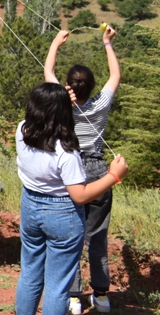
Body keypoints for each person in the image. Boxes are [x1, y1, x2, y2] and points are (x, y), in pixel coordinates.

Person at [15, 83, 128, 315]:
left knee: (30, 273)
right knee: (57, 285)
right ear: (64, 112)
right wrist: (114, 176)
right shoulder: (66, 150)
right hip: (62, 214)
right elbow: (80, 195)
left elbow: (45, 111)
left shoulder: (22, 130)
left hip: (30, 205)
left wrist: (59, 99)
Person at [44, 27, 121, 315]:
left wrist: (56, 42)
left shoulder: (60, 104)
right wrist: (107, 43)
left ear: (68, 86)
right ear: (91, 87)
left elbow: (47, 69)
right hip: (100, 170)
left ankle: (74, 296)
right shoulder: (100, 104)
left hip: (71, 171)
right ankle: (101, 297)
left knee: (72, 235)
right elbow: (115, 76)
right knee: (97, 236)